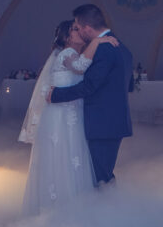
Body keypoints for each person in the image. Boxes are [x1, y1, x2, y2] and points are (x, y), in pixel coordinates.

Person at [21, 20, 119, 215]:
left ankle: (73, 205)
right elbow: (80, 67)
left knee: (73, 157)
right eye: (74, 30)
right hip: (61, 117)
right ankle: (61, 208)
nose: (79, 32)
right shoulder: (67, 54)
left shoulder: (71, 53)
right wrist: (98, 41)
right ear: (66, 37)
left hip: (71, 115)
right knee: (64, 156)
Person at [48, 4, 134, 187]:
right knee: (102, 174)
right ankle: (109, 203)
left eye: (78, 27)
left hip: (102, 123)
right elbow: (130, 86)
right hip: (112, 121)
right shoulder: (122, 47)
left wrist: (56, 95)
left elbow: (89, 86)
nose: (78, 32)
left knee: (99, 178)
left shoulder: (104, 48)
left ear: (87, 28)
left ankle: (107, 206)